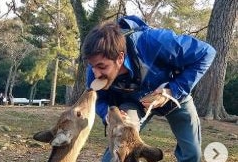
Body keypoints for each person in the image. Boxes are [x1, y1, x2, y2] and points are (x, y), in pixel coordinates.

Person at [82, 15, 216, 162]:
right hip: (133, 102)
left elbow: (207, 52)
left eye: (102, 66)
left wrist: (173, 90)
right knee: (120, 147)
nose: (96, 73)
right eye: (92, 66)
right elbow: (98, 99)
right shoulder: (95, 69)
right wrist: (108, 115)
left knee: (192, 154)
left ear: (120, 58)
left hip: (174, 96)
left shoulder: (153, 42)